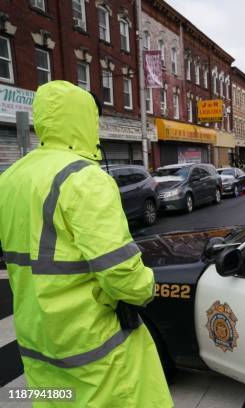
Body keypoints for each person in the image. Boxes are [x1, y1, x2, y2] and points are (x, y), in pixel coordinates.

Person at [0, 81, 173, 407]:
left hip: (39, 339)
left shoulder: (10, 178)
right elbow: (121, 273)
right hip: (93, 347)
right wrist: (147, 286)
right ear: (83, 120)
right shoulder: (85, 178)